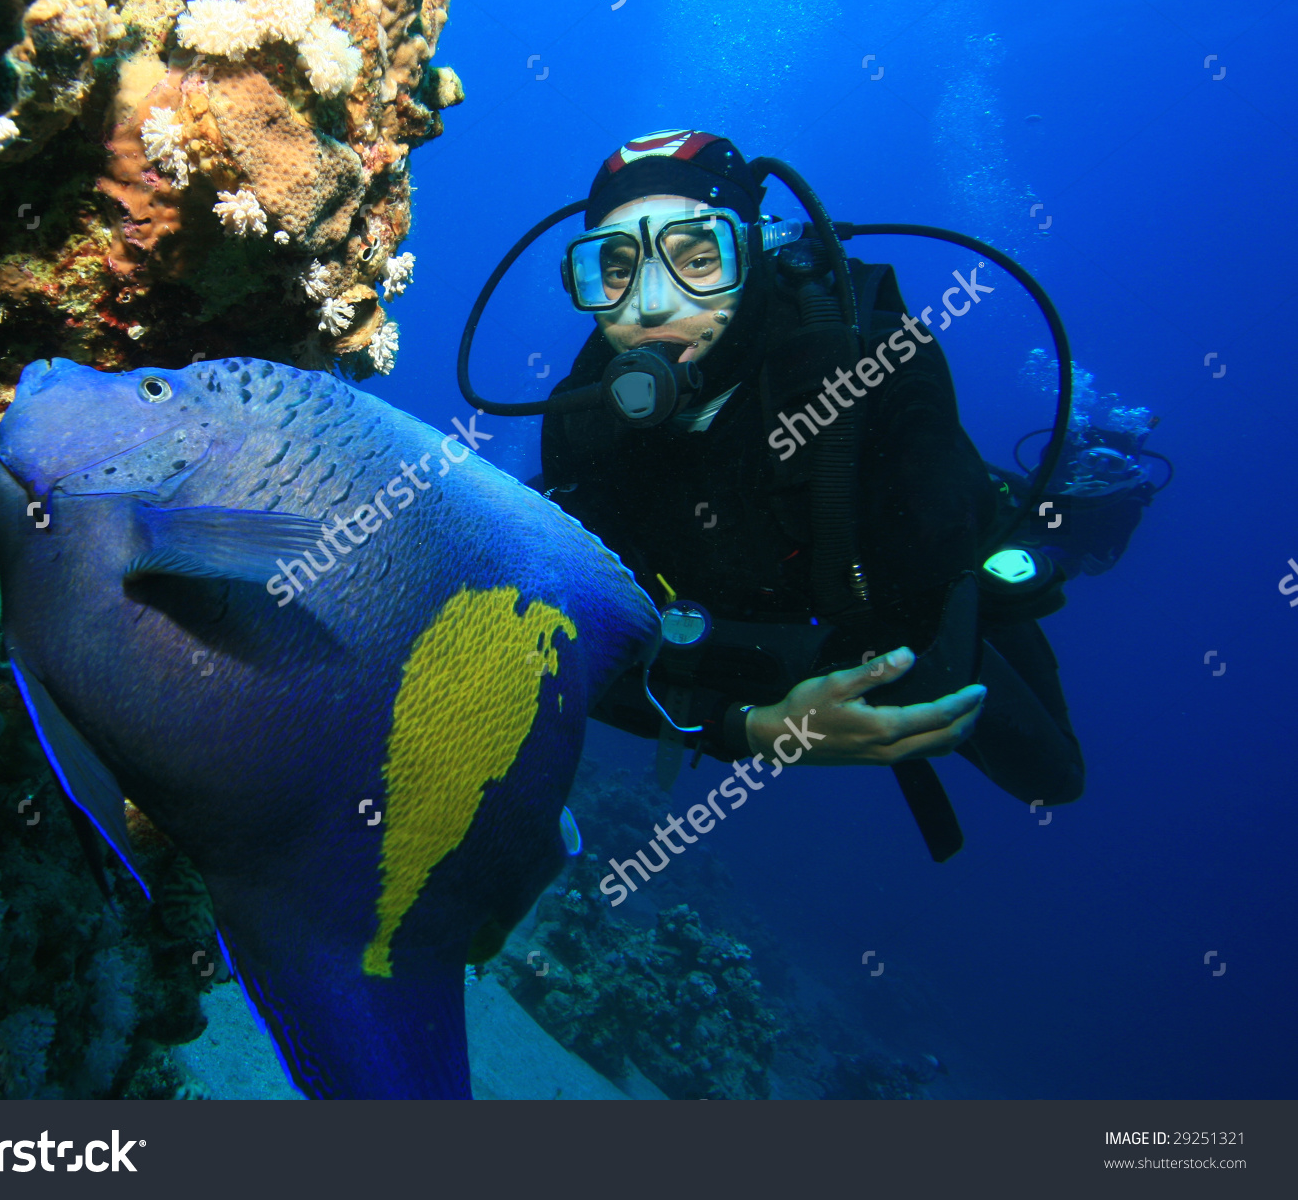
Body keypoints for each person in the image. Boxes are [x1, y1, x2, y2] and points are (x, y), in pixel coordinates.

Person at [458, 129, 1157, 860]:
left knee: (1053, 778)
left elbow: (926, 668)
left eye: (699, 258)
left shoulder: (873, 365)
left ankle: (1078, 504)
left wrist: (713, 683)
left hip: (921, 556)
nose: (652, 306)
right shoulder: (586, 421)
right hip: (772, 614)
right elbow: (571, 646)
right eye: (615, 269)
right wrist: (750, 729)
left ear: (753, 251)